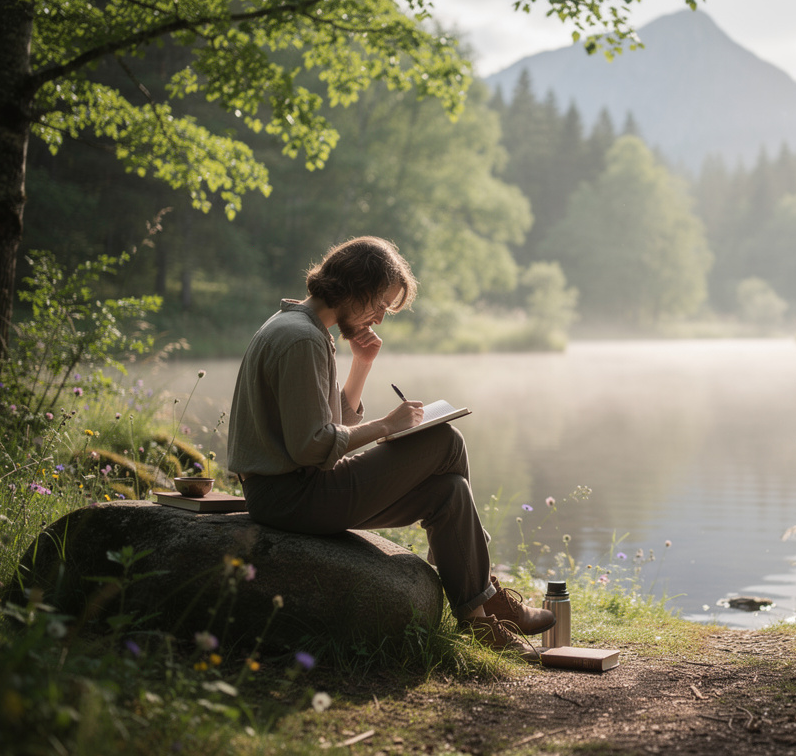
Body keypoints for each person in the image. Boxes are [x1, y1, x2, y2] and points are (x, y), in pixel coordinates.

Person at [226, 236, 552, 661]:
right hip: (290, 496)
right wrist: (387, 425)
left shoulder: (306, 330)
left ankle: (477, 616)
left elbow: (327, 424)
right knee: (444, 440)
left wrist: (362, 365)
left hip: (299, 490)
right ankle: (481, 588)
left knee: (449, 492)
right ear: (353, 286)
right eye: (380, 304)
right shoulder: (301, 338)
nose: (380, 317)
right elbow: (312, 447)